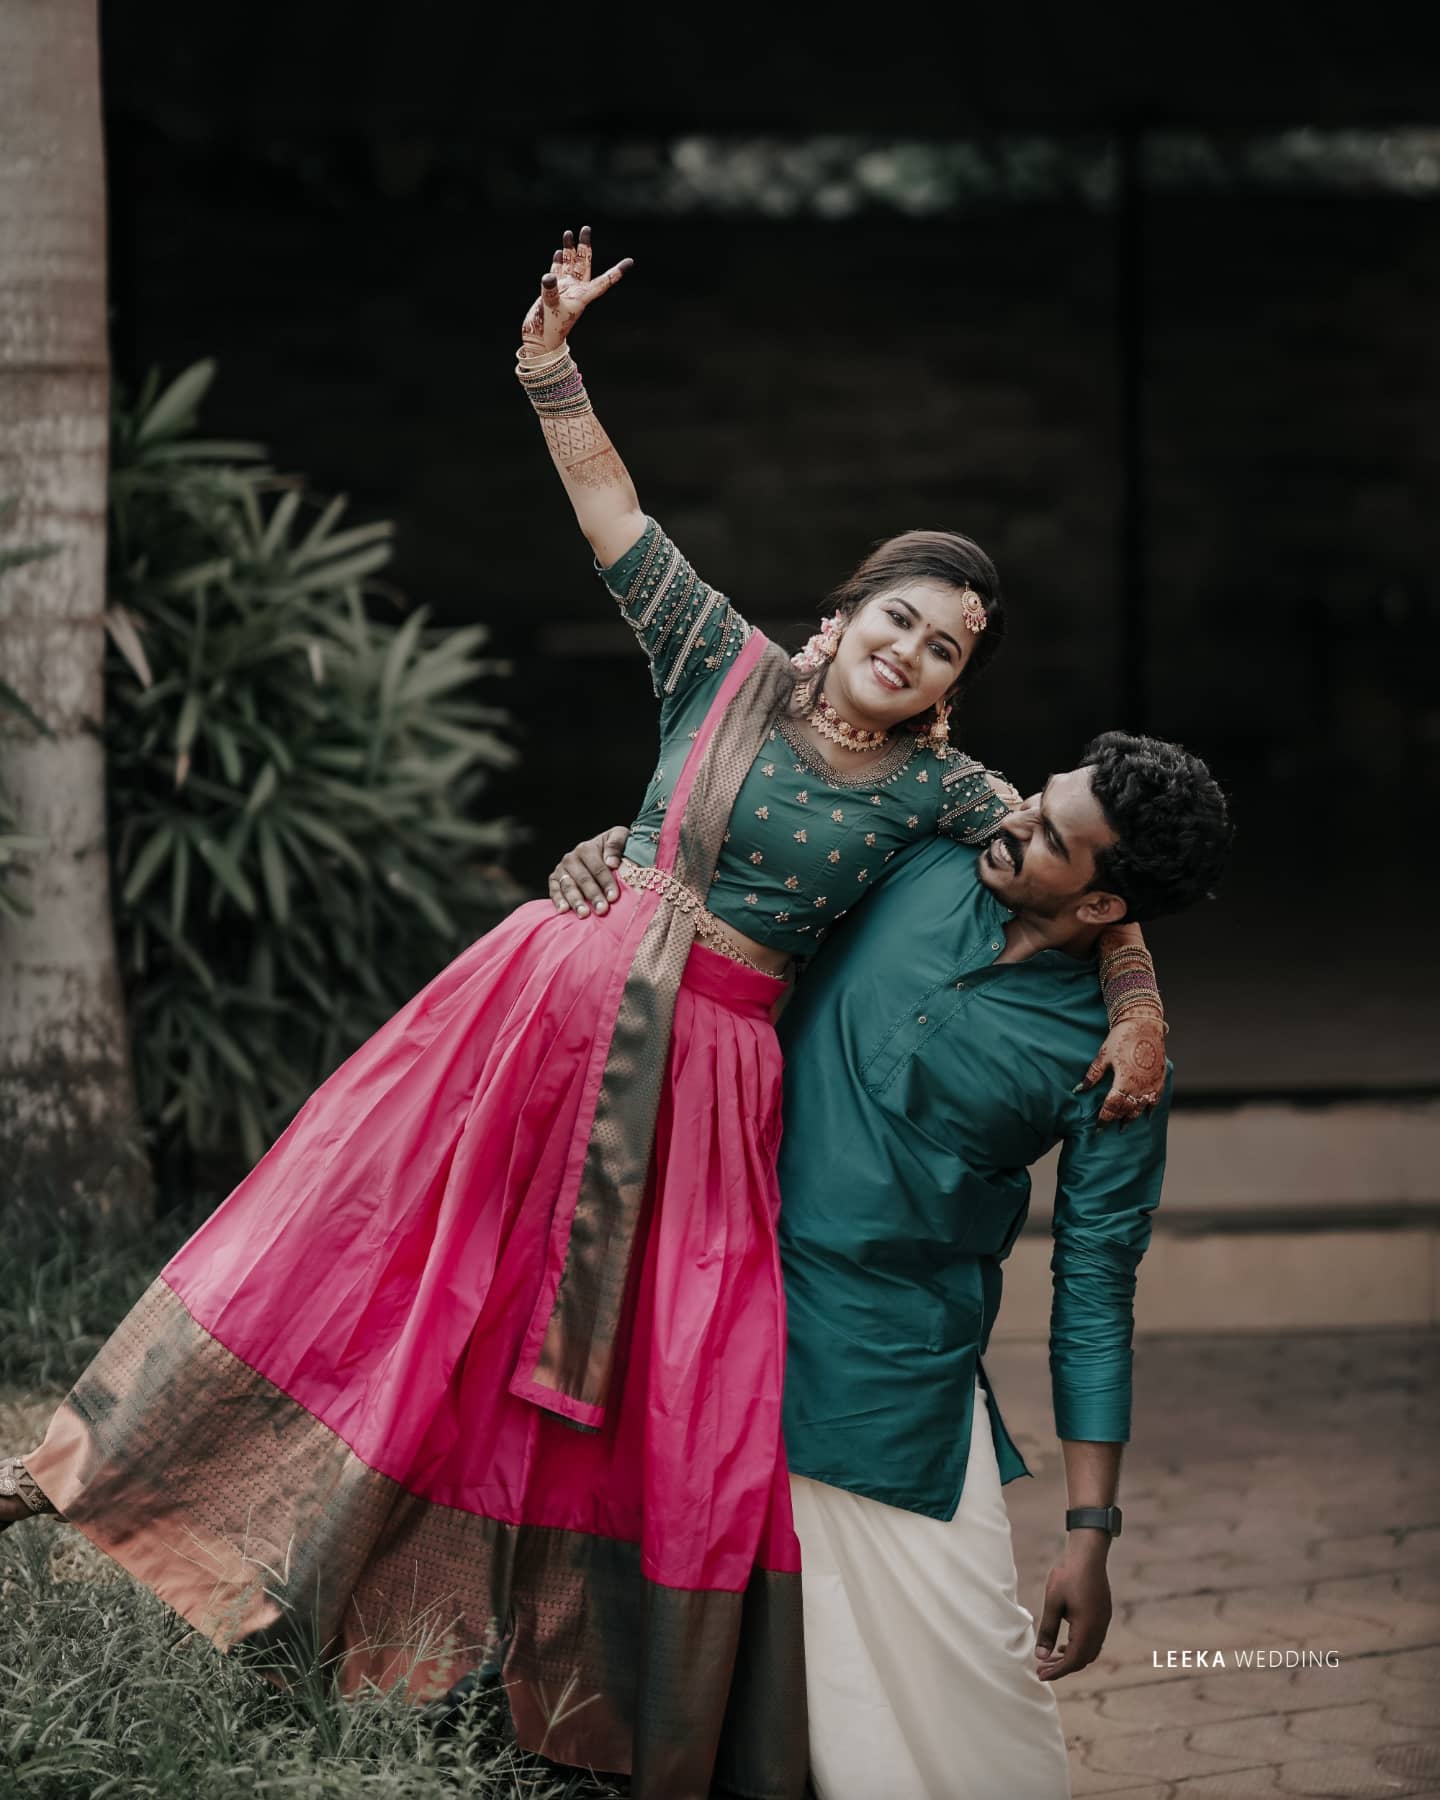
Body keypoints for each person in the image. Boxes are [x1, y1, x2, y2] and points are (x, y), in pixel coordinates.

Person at [0, 227, 1163, 1800]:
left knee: (647, 1378)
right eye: (896, 614)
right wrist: (550, 363)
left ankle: (546, 1686)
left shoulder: (950, 795)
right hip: (539, 1023)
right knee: (397, 1271)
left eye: (941, 646)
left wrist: (1140, 999)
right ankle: (105, 1466)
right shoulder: (719, 663)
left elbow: (1093, 858)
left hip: (706, 1093)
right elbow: (614, 513)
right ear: (843, 614)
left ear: (952, 689)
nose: (908, 646)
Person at [548, 729, 1232, 1799]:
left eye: (1051, 835)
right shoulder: (914, 859)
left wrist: (1090, 1532)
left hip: (890, 1387)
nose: (1012, 822)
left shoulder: (1110, 1059)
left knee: (963, 1725)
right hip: (710, 1309)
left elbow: (1095, 1289)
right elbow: (744, 855)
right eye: (1035, 799)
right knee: (699, 1694)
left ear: (1106, 907)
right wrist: (622, 857)